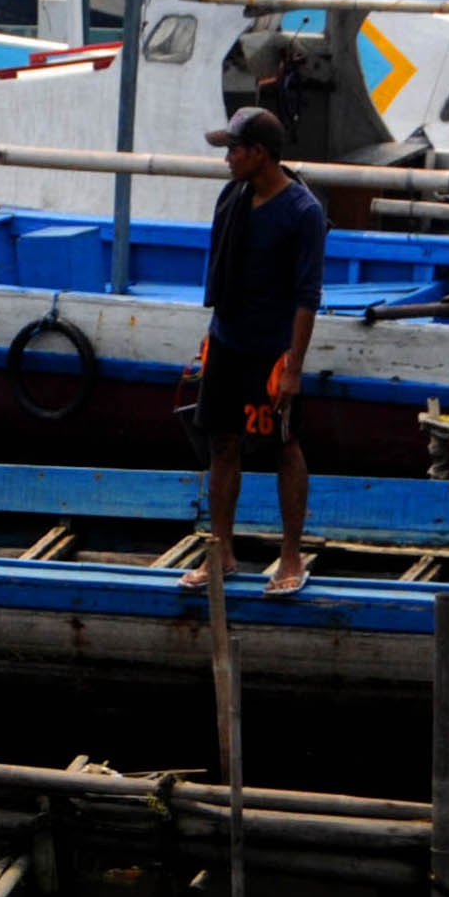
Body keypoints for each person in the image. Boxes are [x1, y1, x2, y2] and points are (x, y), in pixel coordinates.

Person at [183, 107, 325, 598]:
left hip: (272, 350)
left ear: (259, 153)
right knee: (221, 441)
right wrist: (210, 337)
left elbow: (307, 296)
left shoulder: (303, 212)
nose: (226, 159)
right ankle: (221, 550)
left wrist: (293, 368)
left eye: (233, 149)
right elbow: (226, 271)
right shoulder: (234, 196)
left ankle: (290, 554)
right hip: (227, 340)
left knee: (284, 446)